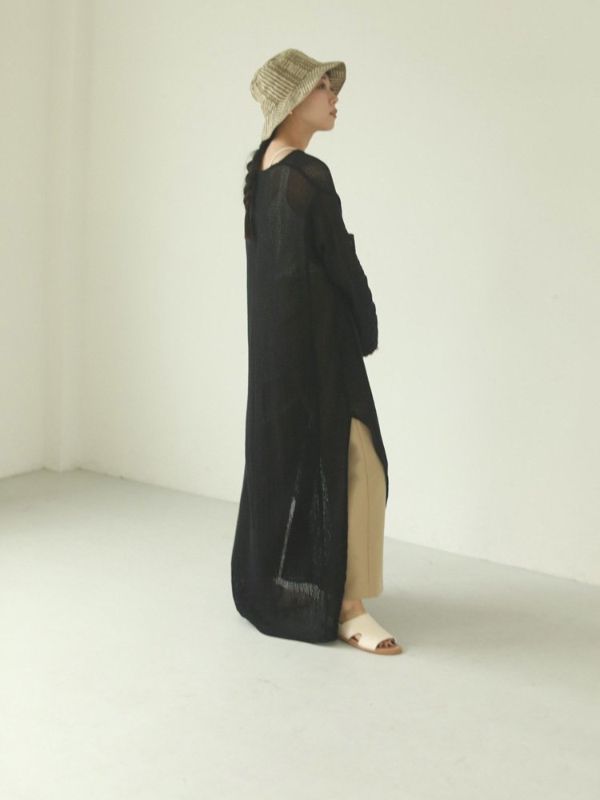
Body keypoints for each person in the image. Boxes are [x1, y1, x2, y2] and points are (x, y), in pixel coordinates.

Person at [231, 48, 402, 655]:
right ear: (292, 102)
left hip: (280, 354)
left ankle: (320, 588)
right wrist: (365, 326)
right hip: (319, 350)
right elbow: (339, 262)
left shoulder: (263, 172)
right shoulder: (306, 174)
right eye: (323, 88)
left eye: (332, 86)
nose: (334, 96)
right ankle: (349, 608)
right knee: (360, 463)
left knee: (315, 463)